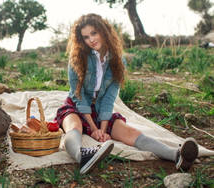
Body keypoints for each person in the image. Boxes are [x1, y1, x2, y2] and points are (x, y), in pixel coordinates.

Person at [54, 13, 199, 174]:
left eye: (94, 33)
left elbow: (109, 98)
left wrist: (102, 129)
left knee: (130, 132)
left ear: (103, 31)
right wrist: (94, 129)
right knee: (74, 127)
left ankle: (176, 155)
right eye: (86, 37)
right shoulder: (77, 59)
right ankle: (83, 157)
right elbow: (78, 95)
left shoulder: (118, 61)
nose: (91, 39)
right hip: (76, 106)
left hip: (100, 109)